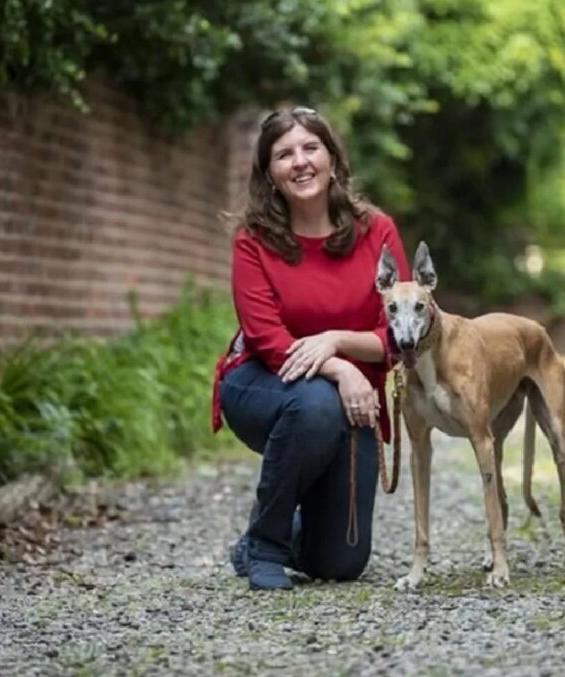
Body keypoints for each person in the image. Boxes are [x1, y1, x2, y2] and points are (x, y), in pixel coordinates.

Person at [210, 106, 410, 591]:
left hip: (353, 406)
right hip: (262, 383)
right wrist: (342, 368)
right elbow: (268, 340)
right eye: (284, 154)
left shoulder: (377, 231)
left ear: (332, 159)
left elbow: (403, 334)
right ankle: (265, 545)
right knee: (317, 402)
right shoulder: (253, 241)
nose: (299, 162)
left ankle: (278, 537)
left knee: (341, 561)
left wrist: (336, 341)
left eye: (310, 148)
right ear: (270, 175)